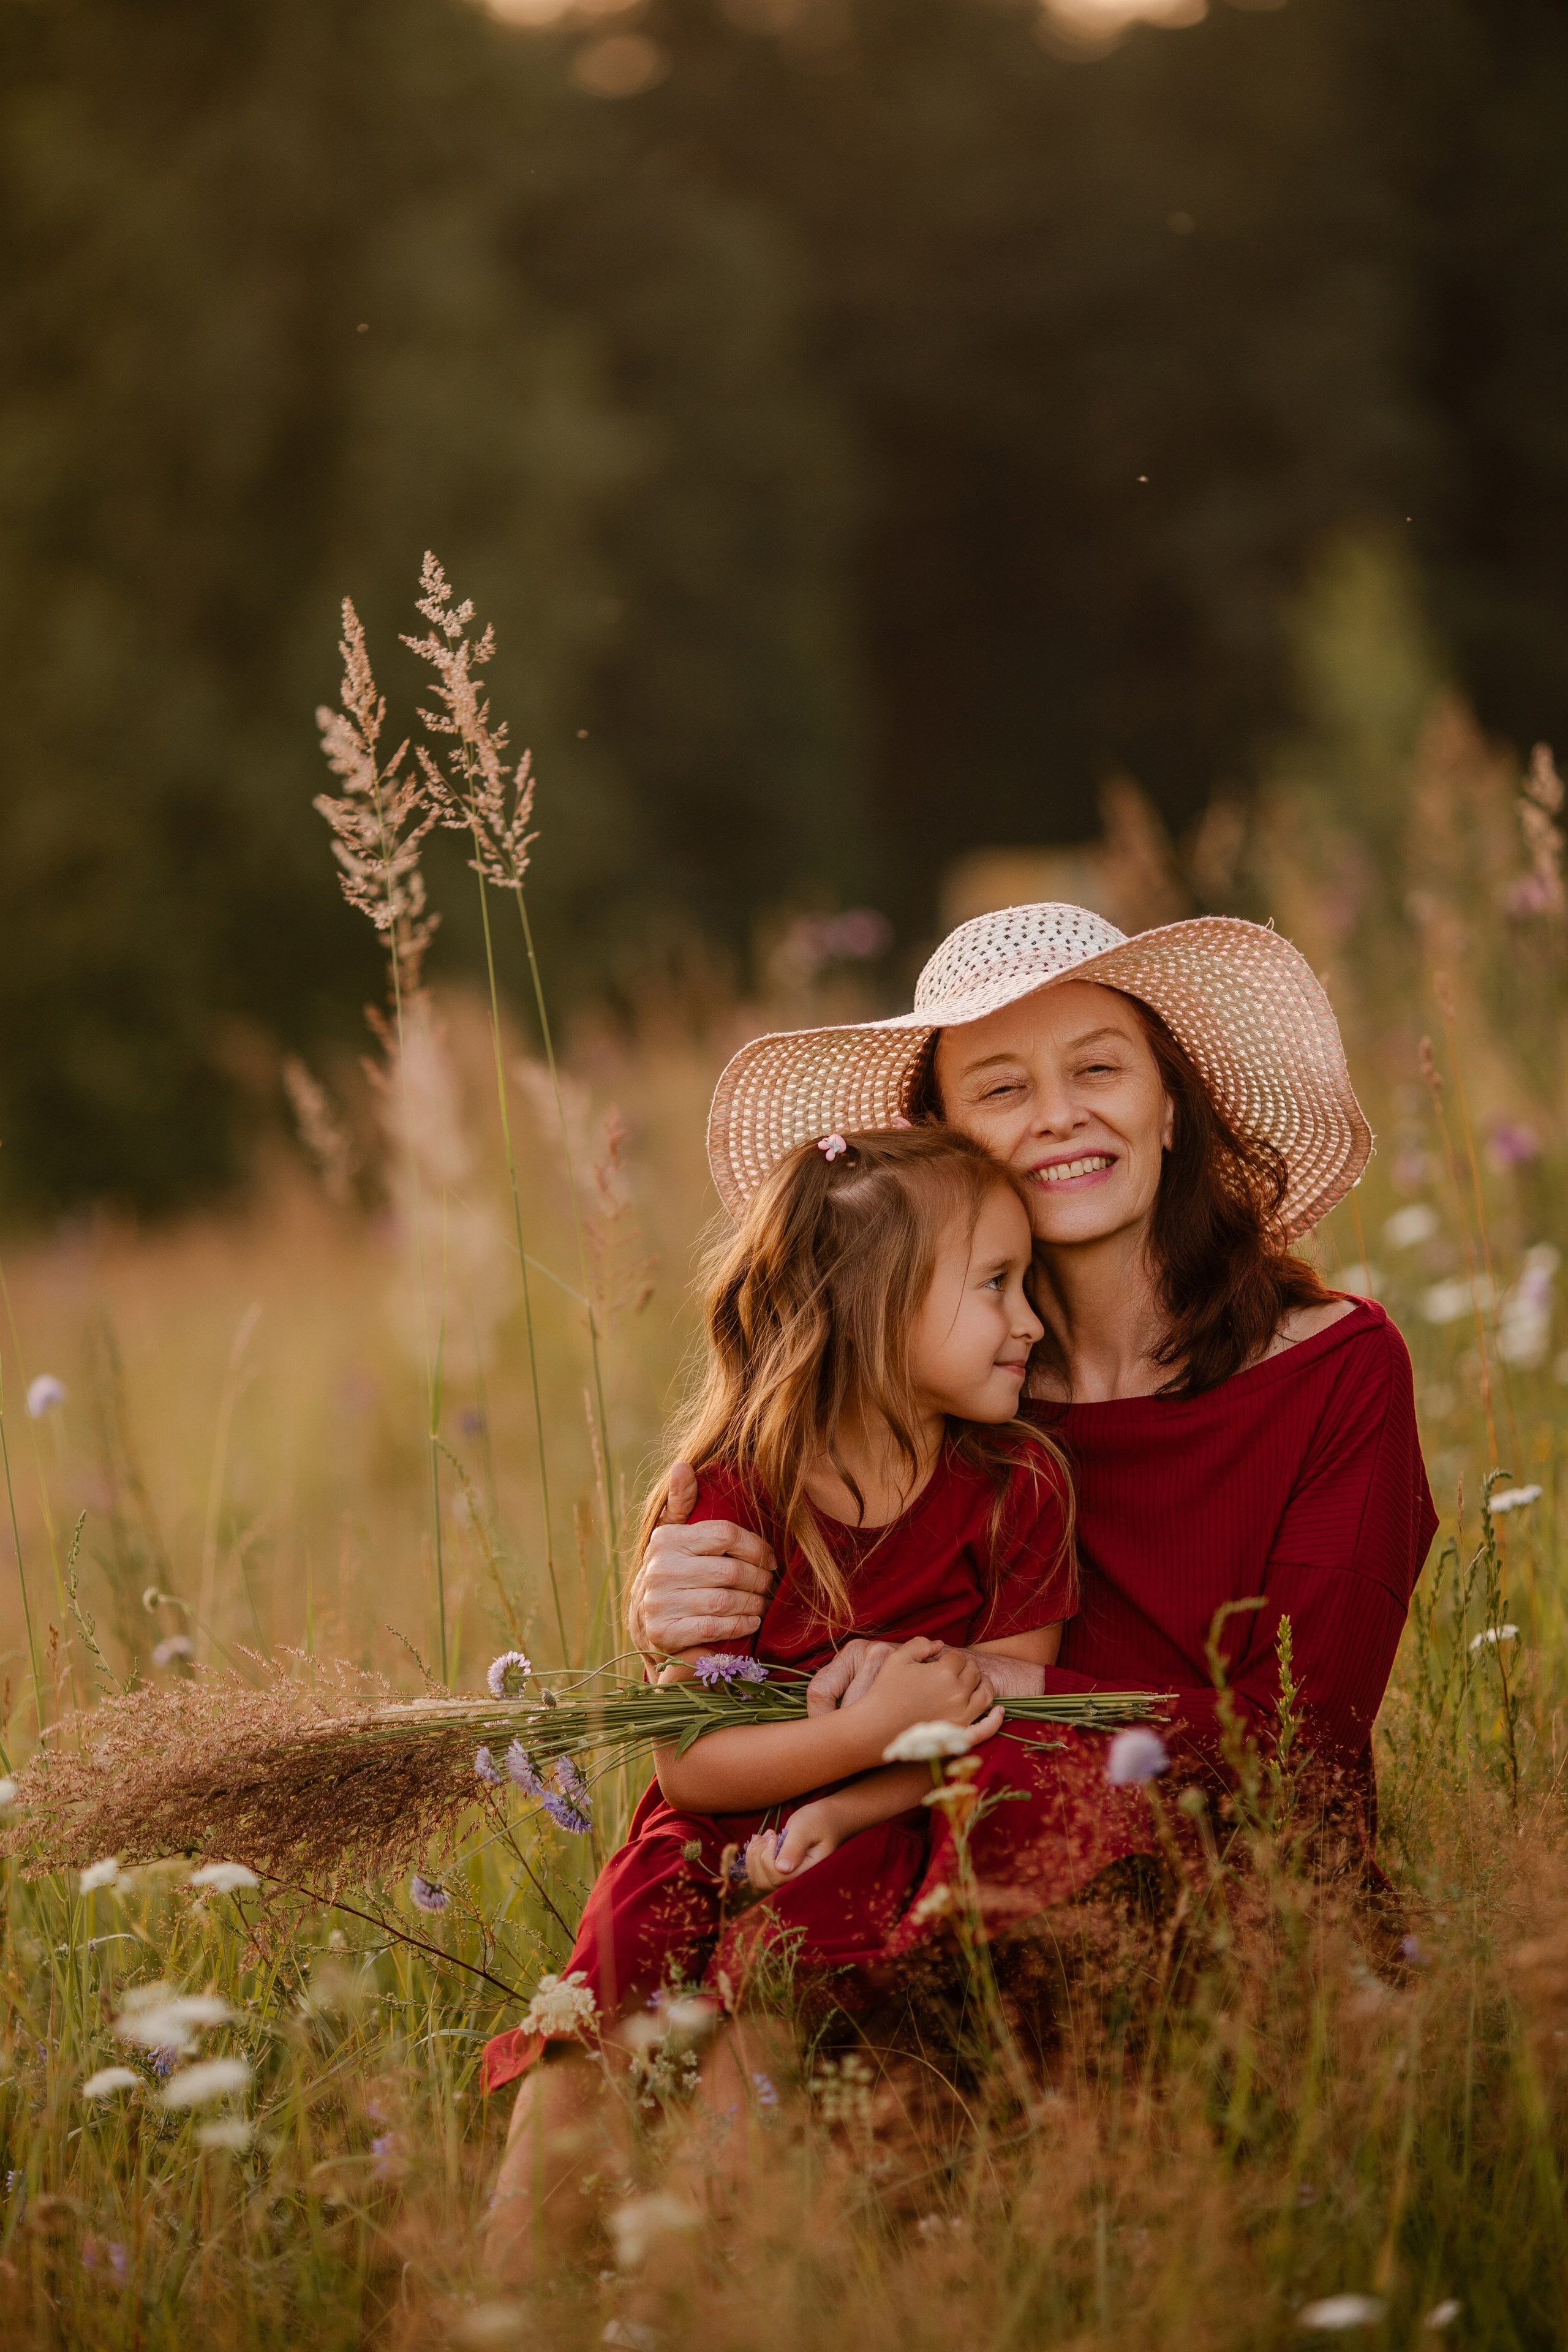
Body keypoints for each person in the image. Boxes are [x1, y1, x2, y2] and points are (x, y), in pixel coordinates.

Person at [631, 900, 1438, 1981]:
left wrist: (983, 1686)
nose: (1058, 1116)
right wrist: (680, 1613)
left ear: (1169, 1107)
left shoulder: (1337, 1369)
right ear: (948, 1149)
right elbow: (817, 1679)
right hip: (901, 1839)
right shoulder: (929, 1397)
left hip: (1229, 1894)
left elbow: (1307, 1746)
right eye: (1004, 1089)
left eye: (1099, 1070)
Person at [482, 1123, 1077, 2274]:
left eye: (1029, 1284)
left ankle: (687, 2297)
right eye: (996, 1286)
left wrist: (856, 1802)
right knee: (579, 2057)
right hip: (696, 1840)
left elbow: (1007, 1723)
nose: (1031, 1322)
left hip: (878, 1835)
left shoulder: (1016, 1488)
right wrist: (857, 1729)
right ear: (872, 1312)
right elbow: (691, 1770)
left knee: (752, 2053)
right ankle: (500, 2296)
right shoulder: (725, 1494)